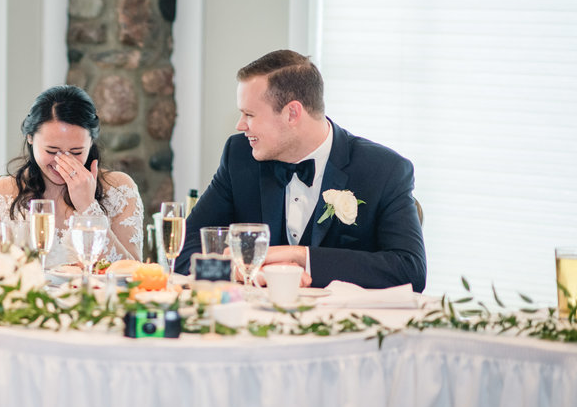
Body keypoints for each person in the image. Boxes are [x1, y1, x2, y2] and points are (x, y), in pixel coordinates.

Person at [175, 50, 426, 291]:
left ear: (292, 113)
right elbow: (185, 246)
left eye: (249, 114)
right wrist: (236, 270)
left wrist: (299, 256)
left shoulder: (383, 170)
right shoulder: (239, 156)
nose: (240, 125)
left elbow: (410, 270)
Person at [0, 85, 144, 267]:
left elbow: (133, 275)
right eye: (52, 150)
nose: (62, 161)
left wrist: (88, 208)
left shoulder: (120, 189)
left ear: (91, 142)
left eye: (76, 151)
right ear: (30, 138)